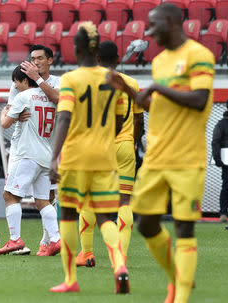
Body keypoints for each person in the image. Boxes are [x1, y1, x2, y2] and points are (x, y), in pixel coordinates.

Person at [108, 4, 215, 302]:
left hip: (187, 156)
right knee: (146, 222)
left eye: (154, 25)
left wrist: (158, 88)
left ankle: (180, 296)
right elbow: (157, 108)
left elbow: (198, 99)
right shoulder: (160, 62)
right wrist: (131, 93)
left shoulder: (199, 55)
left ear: (171, 21)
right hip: (156, 155)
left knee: (183, 226)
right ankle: (177, 278)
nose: (150, 32)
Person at [49, 21, 129, 294]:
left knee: (69, 215)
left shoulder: (71, 79)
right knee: (107, 217)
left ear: (77, 48)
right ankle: (119, 264)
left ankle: (71, 279)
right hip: (105, 158)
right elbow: (119, 122)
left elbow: (63, 118)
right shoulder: (113, 80)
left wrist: (54, 157)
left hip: (75, 158)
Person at [75, 41, 144, 268]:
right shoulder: (131, 82)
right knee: (124, 201)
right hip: (124, 146)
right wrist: (129, 143)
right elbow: (138, 120)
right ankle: (120, 257)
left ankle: (86, 254)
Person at [0, 65, 60, 257]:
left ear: (24, 80)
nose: (15, 88)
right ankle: (56, 240)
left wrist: (5, 111)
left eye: (16, 84)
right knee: (42, 200)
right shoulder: (50, 99)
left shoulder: (23, 97)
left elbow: (5, 123)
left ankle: (15, 239)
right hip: (46, 156)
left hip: (26, 154)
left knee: (10, 196)